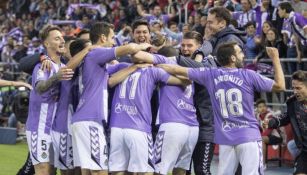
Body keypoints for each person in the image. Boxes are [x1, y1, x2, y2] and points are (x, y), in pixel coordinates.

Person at [157, 43, 285, 175]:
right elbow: (280, 86)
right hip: (249, 137)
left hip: (225, 139)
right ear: (233, 58)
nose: (243, 55)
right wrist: (275, 58)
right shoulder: (248, 75)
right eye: (240, 52)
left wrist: (155, 63)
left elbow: (177, 70)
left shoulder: (210, 74)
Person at [70, 22, 151, 175]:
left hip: (84, 119)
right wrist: (144, 45)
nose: (114, 41)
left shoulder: (97, 64)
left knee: (88, 171)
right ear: (102, 38)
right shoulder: (97, 53)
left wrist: (134, 67)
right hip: (90, 120)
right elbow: (130, 48)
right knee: (100, 171)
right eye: (112, 37)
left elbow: (112, 78)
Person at [133, 31, 217, 175]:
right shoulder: (200, 66)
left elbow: (137, 56)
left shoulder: (168, 63)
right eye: (183, 45)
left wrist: (148, 48)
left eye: (189, 45)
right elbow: (208, 45)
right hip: (192, 127)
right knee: (181, 170)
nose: (185, 48)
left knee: (157, 169)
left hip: (172, 124)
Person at [25, 25, 74, 175]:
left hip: (59, 127)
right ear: (47, 44)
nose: (62, 40)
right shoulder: (42, 66)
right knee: (44, 170)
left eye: (62, 37)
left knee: (59, 170)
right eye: (57, 38)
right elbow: (40, 88)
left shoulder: (67, 66)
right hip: (39, 127)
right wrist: (56, 76)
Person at [264, 70, 307, 175]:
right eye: (293, 88)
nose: (295, 91)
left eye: (298, 88)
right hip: (304, 151)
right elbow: (284, 118)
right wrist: (271, 122)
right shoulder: (293, 104)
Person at [255, 98, 283, 169]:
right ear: (257, 109)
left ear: (266, 107)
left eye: (264, 106)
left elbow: (268, 131)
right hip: (266, 137)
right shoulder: (258, 117)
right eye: (260, 107)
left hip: (276, 137)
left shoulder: (269, 116)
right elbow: (258, 129)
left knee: (261, 139)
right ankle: (256, 163)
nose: (262, 108)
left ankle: (263, 164)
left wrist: (258, 137)